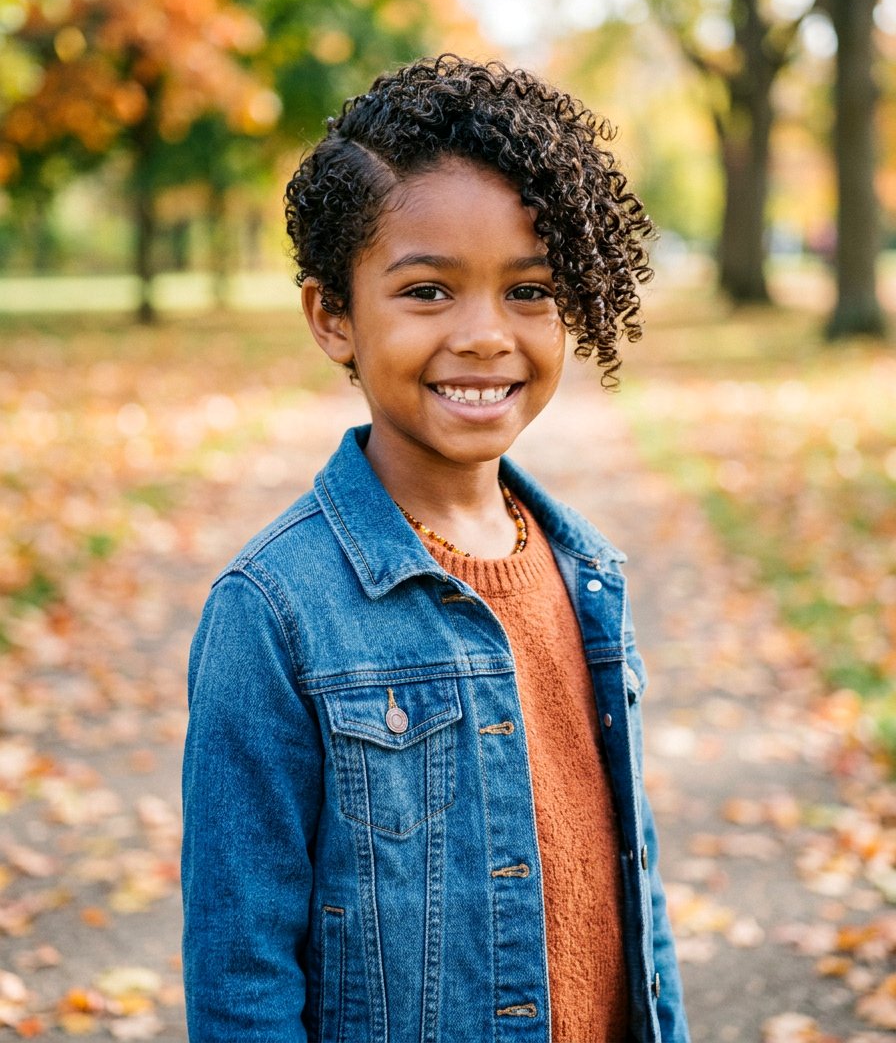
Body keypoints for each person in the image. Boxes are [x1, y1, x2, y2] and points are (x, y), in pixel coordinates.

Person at [181, 55, 690, 1043]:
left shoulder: (584, 573)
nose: (485, 335)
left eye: (529, 290)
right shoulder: (273, 611)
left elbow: (632, 889)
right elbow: (241, 968)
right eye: (426, 292)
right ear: (333, 316)